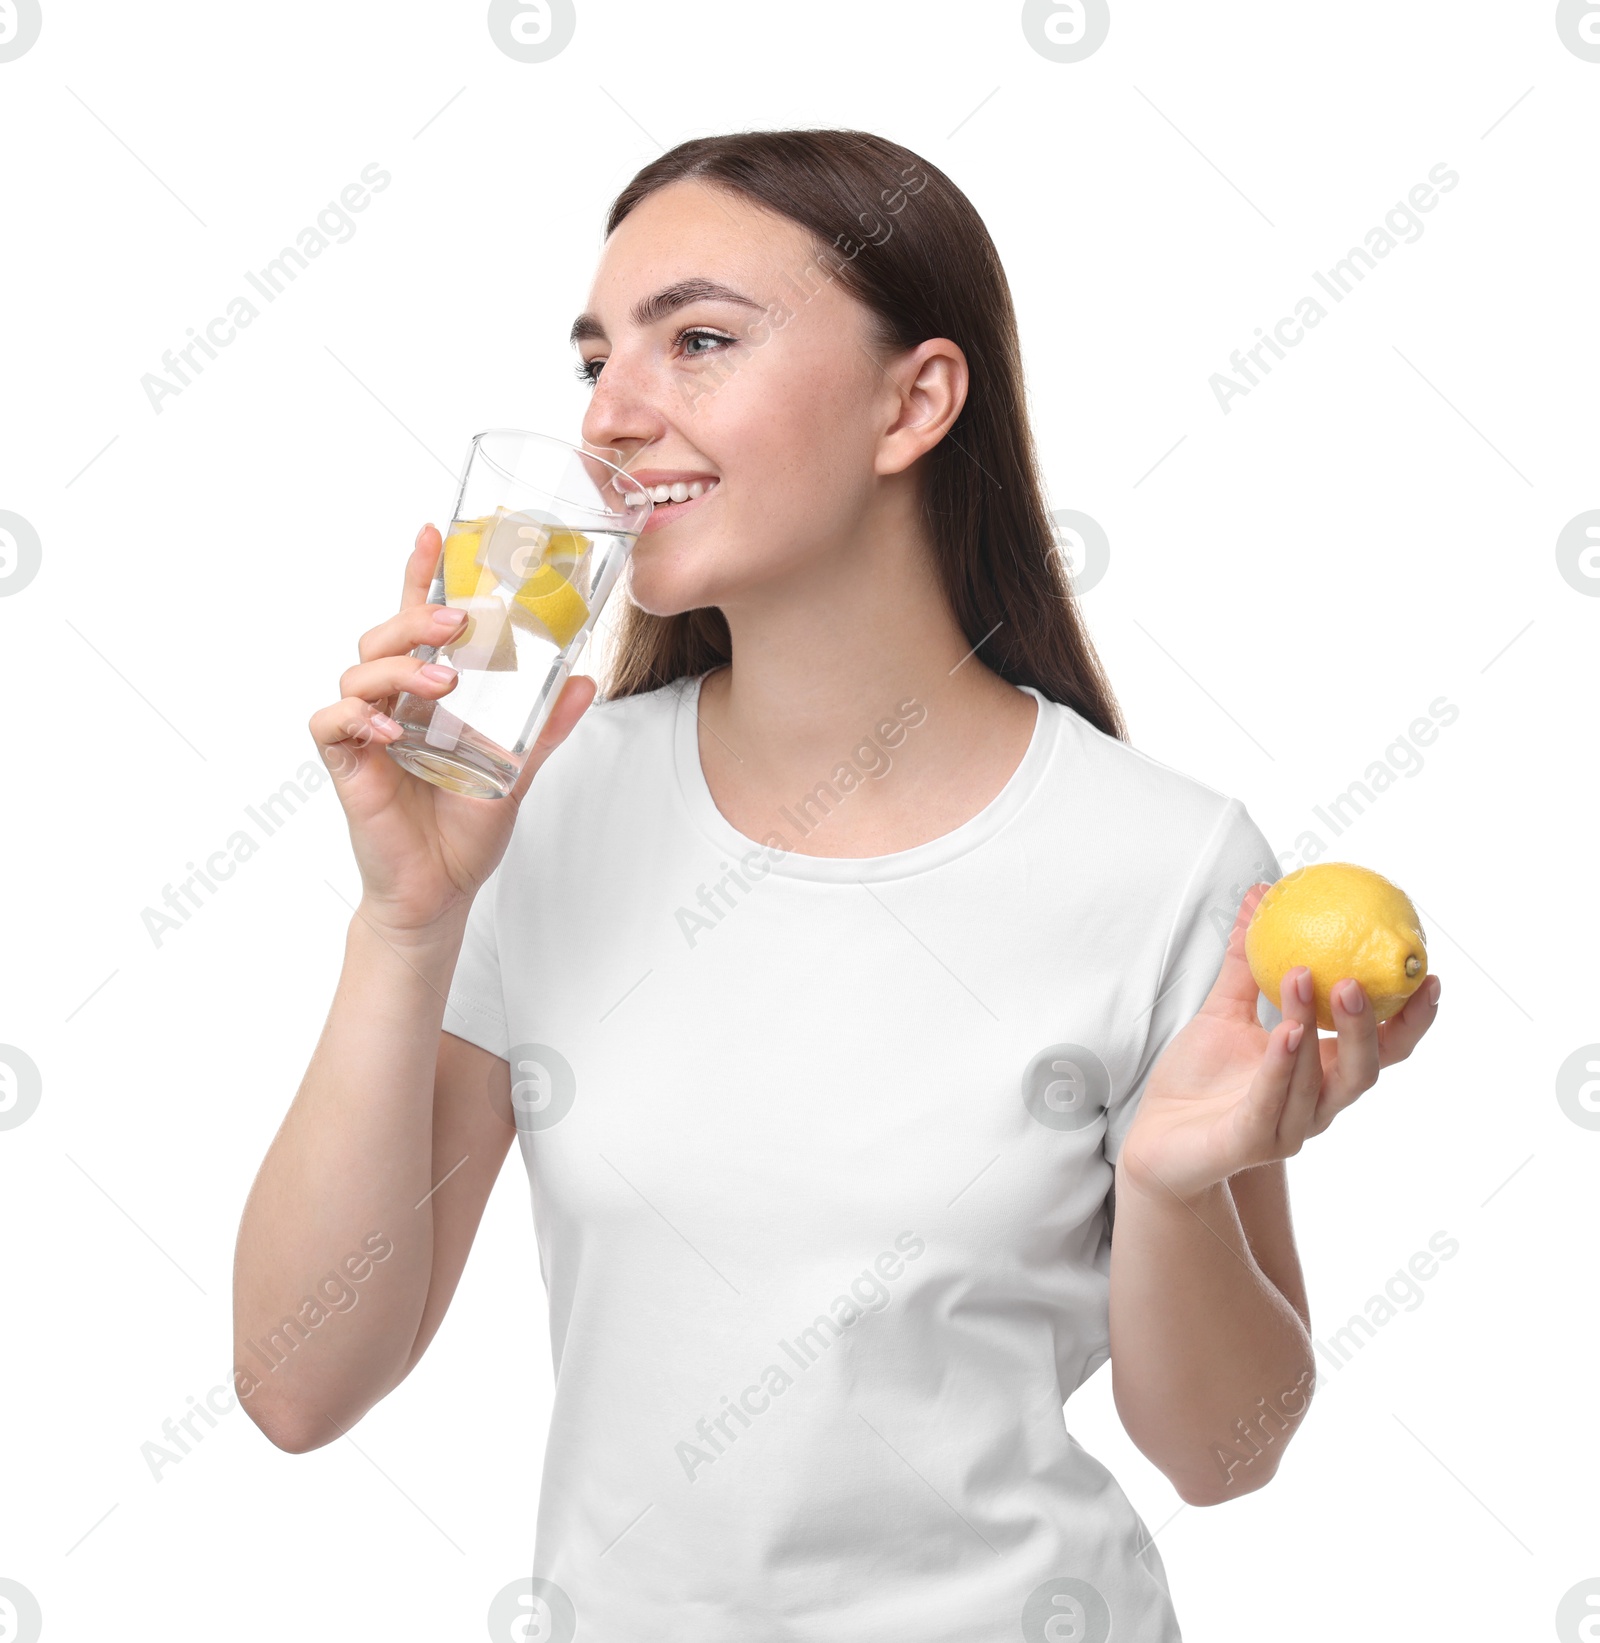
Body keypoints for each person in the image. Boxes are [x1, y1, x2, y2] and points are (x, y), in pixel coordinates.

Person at [233, 128, 1442, 1640]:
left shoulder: (1173, 863)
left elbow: (1228, 1457)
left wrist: (1169, 1190)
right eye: (597, 357)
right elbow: (297, 1387)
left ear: (916, 400)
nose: (612, 417)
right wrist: (406, 924)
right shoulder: (549, 805)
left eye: (702, 342)